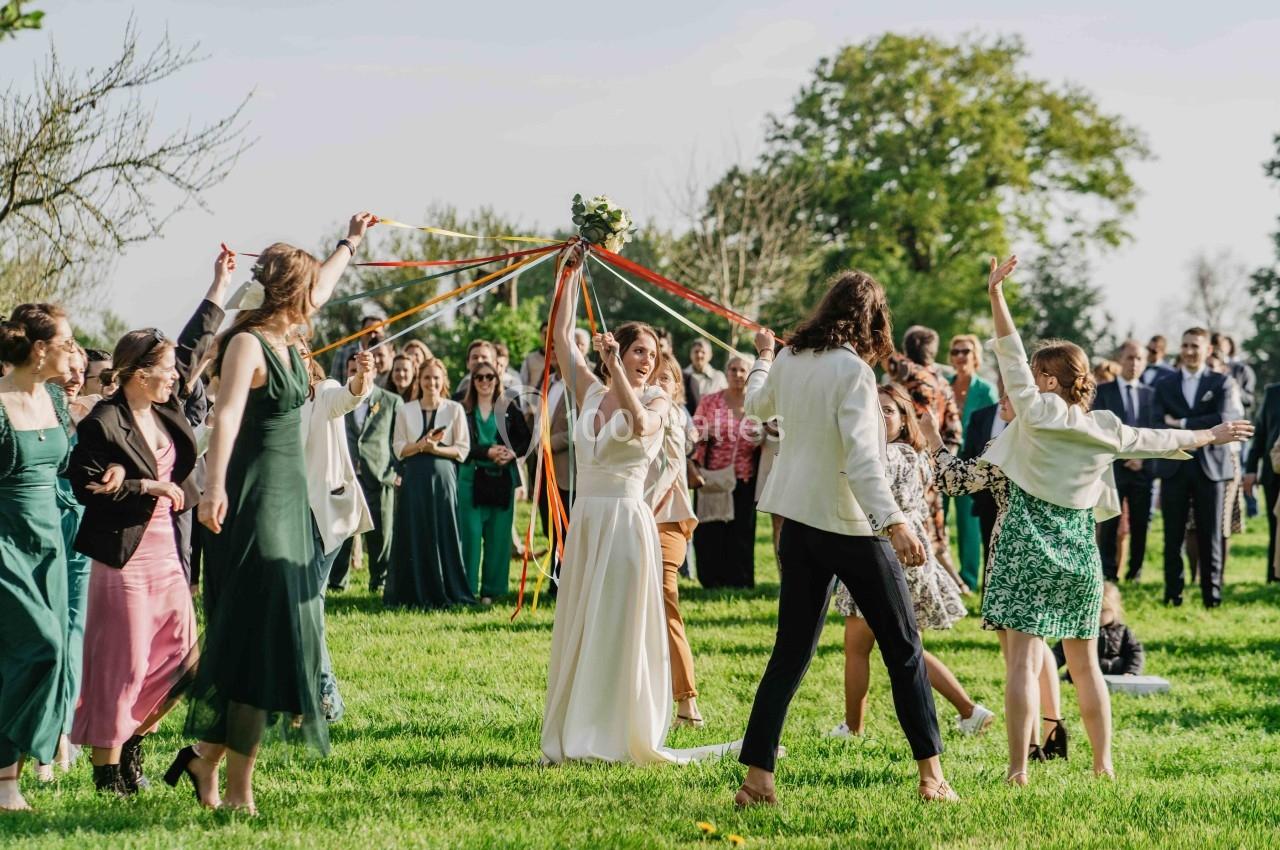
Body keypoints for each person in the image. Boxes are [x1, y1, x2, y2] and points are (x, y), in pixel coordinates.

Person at [967, 255, 1249, 785]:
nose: (1028, 377)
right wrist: (1212, 434)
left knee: (1023, 664)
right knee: (1086, 662)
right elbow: (1159, 440)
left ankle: (1017, 771)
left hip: (1027, 541)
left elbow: (1008, 353)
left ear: (1046, 378)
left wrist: (996, 296)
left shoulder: (1035, 409)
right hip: (1078, 548)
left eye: (1036, 372)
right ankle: (1103, 765)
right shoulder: (1106, 428)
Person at [177, 212, 377, 814]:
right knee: (260, 636)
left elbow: (325, 286)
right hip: (255, 498)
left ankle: (204, 760)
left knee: (266, 636)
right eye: (309, 287)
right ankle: (238, 790)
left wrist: (350, 243)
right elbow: (228, 415)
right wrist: (214, 488)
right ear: (292, 292)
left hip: (295, 502)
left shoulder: (291, 340)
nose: (318, 298)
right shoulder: (247, 343)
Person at [735, 270, 954, 805]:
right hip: (851, 527)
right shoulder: (853, 371)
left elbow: (755, 406)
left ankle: (757, 780)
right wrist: (896, 523)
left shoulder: (789, 357)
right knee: (903, 648)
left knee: (789, 654)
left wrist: (764, 355)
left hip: (798, 526)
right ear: (872, 319)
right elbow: (862, 460)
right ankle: (932, 778)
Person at [541, 248, 734, 765]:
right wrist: (569, 274)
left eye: (651, 353)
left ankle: (616, 729)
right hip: (587, 519)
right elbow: (561, 339)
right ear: (620, 348)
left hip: (628, 521)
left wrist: (616, 372)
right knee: (582, 620)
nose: (647, 359)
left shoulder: (657, 400)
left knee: (619, 625)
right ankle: (575, 726)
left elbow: (643, 427)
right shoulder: (588, 391)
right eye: (638, 350)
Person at [68, 288, 222, 794]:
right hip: (123, 556)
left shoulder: (167, 406)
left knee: (180, 658)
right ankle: (107, 772)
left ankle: (134, 737)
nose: (174, 375)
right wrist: (142, 485)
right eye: (164, 369)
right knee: (125, 661)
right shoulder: (103, 420)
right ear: (138, 374)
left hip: (166, 553)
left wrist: (220, 291)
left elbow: (193, 348)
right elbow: (83, 482)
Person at [829, 385, 991, 741]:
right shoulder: (913, 455)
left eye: (888, 410)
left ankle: (855, 727)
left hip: (883, 551)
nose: (879, 414)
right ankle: (968, 711)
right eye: (873, 409)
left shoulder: (891, 456)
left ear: (904, 421)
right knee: (883, 644)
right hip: (901, 551)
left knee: (885, 646)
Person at [929, 398, 1069, 762]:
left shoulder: (1010, 443)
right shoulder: (1058, 439)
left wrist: (931, 436)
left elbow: (954, 481)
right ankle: (1052, 729)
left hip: (1013, 554)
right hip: (1053, 549)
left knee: (1017, 657)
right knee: (1037, 648)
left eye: (1010, 396)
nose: (1001, 401)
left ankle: (1029, 750)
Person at [0, 303, 77, 812]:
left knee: (45, 658)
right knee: (43, 648)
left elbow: (68, 463)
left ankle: (10, 782)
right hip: (6, 543)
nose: (73, 350)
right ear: (40, 349)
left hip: (52, 543)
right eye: (67, 342)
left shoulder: (54, 397)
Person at [300, 350, 377, 723]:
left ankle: (325, 695)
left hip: (325, 515)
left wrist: (362, 377)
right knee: (299, 604)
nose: (296, 361)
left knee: (307, 600)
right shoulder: (275, 403)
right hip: (287, 516)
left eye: (302, 354)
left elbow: (349, 396)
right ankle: (308, 695)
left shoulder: (323, 391)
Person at [1151, 327, 1242, 608]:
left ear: (1208, 350)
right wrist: (1201, 424)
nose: (1189, 351)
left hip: (1211, 467)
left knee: (1211, 534)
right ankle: (1172, 594)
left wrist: (1180, 424)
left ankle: (1211, 596)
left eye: (1195, 346)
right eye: (1186, 345)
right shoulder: (1164, 383)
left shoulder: (1222, 382)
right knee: (1172, 535)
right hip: (1174, 466)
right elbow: (1155, 422)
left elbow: (1223, 419)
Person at [385, 358, 474, 609]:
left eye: (436, 378)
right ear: (419, 380)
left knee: (443, 530)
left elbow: (463, 449)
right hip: (414, 478)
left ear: (443, 380)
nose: (431, 383)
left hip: (443, 478)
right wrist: (421, 446)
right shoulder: (405, 409)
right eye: (426, 378)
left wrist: (436, 449)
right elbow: (399, 448)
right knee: (415, 529)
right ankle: (412, 590)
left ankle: (447, 588)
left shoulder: (454, 409)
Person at [646, 352, 703, 727]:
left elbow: (669, 472)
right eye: (653, 377)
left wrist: (641, 509)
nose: (658, 384)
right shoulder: (639, 415)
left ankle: (686, 702)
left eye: (666, 379)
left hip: (664, 521)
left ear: (677, 389)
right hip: (635, 520)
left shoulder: (672, 417)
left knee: (666, 603)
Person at [47, 345, 91, 778]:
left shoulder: (89, 416)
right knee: (47, 634)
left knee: (74, 632)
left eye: (81, 370)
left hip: (81, 527)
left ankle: (63, 732)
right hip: (40, 524)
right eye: (68, 369)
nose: (75, 376)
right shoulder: (25, 410)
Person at [328, 351, 403, 594]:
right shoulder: (337, 399)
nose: (357, 373)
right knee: (343, 532)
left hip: (379, 474)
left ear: (373, 370)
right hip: (346, 474)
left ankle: (378, 582)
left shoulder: (391, 401)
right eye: (352, 370)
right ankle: (337, 582)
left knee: (381, 532)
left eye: (362, 368)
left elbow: (398, 439)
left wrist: (395, 471)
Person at [458, 363, 531, 604]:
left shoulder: (508, 407)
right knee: (470, 535)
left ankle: (492, 591)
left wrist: (510, 452)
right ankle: (467, 589)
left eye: (489, 377)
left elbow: (525, 439)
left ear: (497, 380)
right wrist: (486, 451)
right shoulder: (463, 408)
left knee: (499, 537)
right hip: (471, 476)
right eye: (478, 377)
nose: (484, 381)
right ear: (472, 380)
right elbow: (460, 443)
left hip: (502, 478)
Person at [691, 353, 762, 589]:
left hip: (744, 477)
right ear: (726, 372)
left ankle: (740, 581)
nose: (738, 375)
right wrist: (706, 432)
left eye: (744, 371)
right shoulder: (710, 401)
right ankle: (712, 580)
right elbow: (692, 434)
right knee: (711, 530)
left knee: (741, 531)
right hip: (713, 477)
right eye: (733, 370)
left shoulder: (757, 404)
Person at [1093, 340, 1159, 582]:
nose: (1134, 363)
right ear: (1120, 359)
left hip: (1143, 469)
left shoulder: (1151, 395)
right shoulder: (1103, 393)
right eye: (1130, 358)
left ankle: (1136, 572)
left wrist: (1141, 458)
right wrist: (1123, 456)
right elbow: (1099, 429)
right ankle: (1108, 572)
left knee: (1141, 523)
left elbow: (1155, 431)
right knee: (1109, 522)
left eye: (1139, 358)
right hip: (1114, 469)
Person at [947, 333, 998, 590]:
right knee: (937, 523)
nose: (960, 356)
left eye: (965, 351)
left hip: (972, 468)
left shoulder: (986, 390)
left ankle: (968, 579)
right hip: (942, 464)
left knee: (969, 525)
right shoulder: (943, 384)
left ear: (975, 355)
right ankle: (944, 579)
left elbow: (992, 429)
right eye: (955, 351)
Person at [1052, 583, 1144, 680]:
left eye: (1102, 611)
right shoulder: (1082, 631)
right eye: (1094, 611)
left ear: (1114, 610)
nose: (1097, 616)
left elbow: (1135, 652)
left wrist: (1131, 672)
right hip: (1082, 676)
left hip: (1115, 676)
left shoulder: (1123, 631)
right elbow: (1060, 652)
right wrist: (1050, 667)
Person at [1245, 382, 1280, 581]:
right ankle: (1274, 576)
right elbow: (1260, 434)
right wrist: (1250, 470)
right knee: (1276, 525)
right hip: (1273, 472)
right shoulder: (1273, 393)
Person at [327, 309, 386, 381]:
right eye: (369, 331)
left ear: (383, 334)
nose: (372, 335)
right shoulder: (342, 353)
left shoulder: (387, 356)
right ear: (361, 331)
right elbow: (334, 381)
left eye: (376, 332)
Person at [682, 338, 726, 416]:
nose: (699, 355)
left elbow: (726, 402)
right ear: (690, 354)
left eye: (703, 352)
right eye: (696, 352)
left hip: (712, 421)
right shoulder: (681, 376)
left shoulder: (719, 378)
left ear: (710, 355)